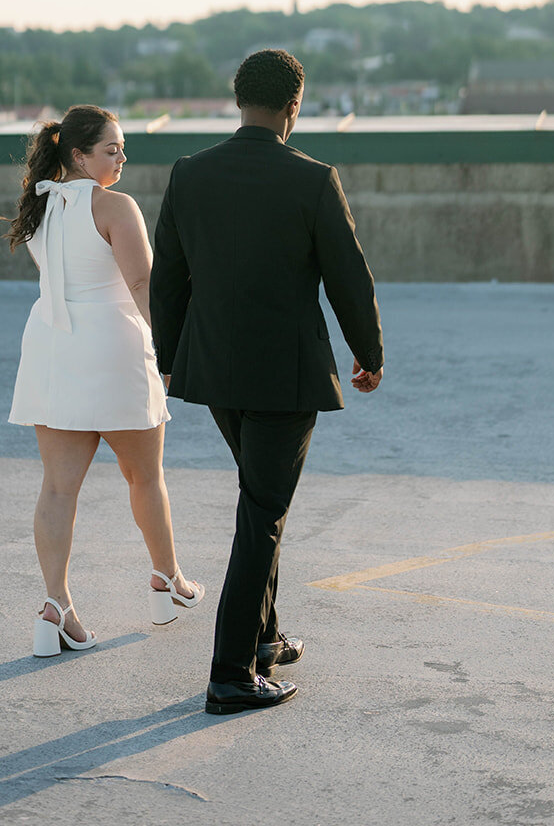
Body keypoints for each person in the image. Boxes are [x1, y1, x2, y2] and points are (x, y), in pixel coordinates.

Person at [149, 49, 384, 714]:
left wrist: (168, 357)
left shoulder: (189, 173)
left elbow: (168, 278)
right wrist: (367, 354)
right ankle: (229, 673)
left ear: (235, 99)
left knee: (259, 500)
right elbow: (347, 275)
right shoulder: (312, 179)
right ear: (295, 104)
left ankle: (264, 640)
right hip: (285, 375)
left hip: (214, 369)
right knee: (261, 515)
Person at [7, 104, 203, 655]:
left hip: (52, 346)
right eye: (111, 149)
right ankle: (168, 580)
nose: (121, 157)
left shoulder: (39, 203)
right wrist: (171, 349)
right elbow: (142, 283)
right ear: (78, 154)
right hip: (112, 346)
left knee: (57, 486)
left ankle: (57, 606)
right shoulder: (115, 205)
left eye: (122, 148)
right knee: (145, 477)